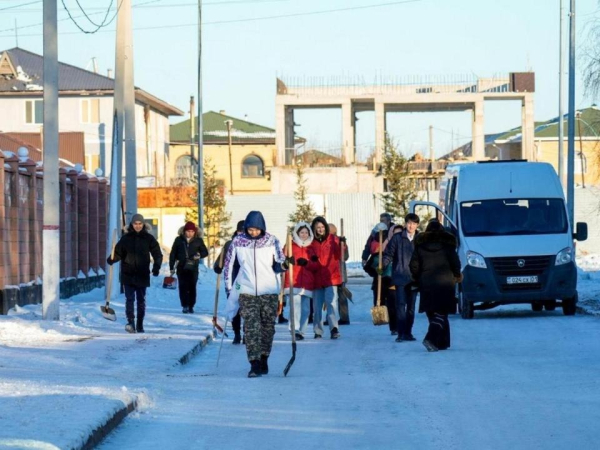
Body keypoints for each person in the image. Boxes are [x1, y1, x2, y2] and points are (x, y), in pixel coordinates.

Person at [224, 211, 289, 378]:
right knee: (251, 327)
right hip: (247, 290)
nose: (253, 233)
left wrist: (287, 264)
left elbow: (279, 264)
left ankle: (264, 357)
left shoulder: (272, 241)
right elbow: (229, 264)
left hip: (269, 291)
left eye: (257, 229)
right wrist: (229, 287)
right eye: (250, 229)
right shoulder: (238, 242)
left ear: (262, 228)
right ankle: (254, 363)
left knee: (267, 327)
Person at [409, 220, 461, 352]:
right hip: (446, 282)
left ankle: (441, 342)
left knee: (432, 312)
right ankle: (431, 339)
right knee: (442, 313)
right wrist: (456, 275)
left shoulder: (420, 247)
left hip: (426, 283)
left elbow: (413, 265)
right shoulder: (448, 246)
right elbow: (456, 263)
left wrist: (417, 277)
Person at [107, 214, 162, 334]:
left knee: (141, 300)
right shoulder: (126, 238)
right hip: (128, 274)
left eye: (140, 224)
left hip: (142, 274)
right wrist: (112, 259)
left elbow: (157, 253)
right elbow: (118, 253)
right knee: (129, 299)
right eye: (135, 224)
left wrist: (156, 266)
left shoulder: (149, 238)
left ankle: (140, 323)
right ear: (132, 225)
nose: (138, 226)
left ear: (143, 225)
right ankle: (130, 322)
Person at [382, 213, 420, 342]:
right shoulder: (397, 238)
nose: (411, 226)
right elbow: (389, 254)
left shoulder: (420, 239)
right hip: (400, 276)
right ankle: (401, 333)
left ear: (417, 225)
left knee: (411, 307)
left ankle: (408, 332)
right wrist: (382, 265)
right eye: (409, 223)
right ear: (405, 224)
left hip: (414, 278)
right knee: (400, 306)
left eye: (414, 223)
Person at [284, 222, 319, 340]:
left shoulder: (312, 248)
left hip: (307, 283)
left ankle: (302, 331)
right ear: (297, 233)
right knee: (295, 308)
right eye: (301, 232)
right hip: (293, 282)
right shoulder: (290, 245)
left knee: (306, 309)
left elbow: (317, 266)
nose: (304, 235)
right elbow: (282, 260)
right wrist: (288, 261)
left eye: (306, 232)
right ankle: (294, 330)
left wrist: (309, 263)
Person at [310, 216, 342, 340]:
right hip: (317, 278)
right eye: (318, 227)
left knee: (331, 304)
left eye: (322, 227)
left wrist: (342, 245)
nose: (320, 229)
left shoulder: (333, 239)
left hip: (331, 277)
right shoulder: (311, 242)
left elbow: (339, 255)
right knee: (317, 307)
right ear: (314, 228)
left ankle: (334, 328)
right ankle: (318, 330)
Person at [368, 223, 403, 335]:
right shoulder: (384, 245)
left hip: (397, 279)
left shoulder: (404, 245)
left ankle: (396, 327)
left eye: (400, 233)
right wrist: (375, 269)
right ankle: (394, 327)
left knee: (394, 304)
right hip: (383, 279)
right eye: (395, 233)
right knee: (387, 303)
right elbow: (370, 264)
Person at [214, 220, 245, 344]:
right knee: (234, 308)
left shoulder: (252, 244)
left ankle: (247, 333)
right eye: (240, 231)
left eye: (244, 231)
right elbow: (221, 259)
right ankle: (237, 333)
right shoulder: (229, 244)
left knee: (247, 308)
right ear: (237, 231)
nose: (242, 233)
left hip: (246, 278)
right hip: (232, 278)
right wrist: (218, 266)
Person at [169, 221, 209, 314]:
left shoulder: (198, 240)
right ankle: (185, 305)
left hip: (193, 268)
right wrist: (171, 267)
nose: (190, 233)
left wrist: (199, 255)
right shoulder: (178, 240)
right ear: (184, 231)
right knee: (183, 287)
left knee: (192, 286)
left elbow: (205, 252)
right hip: (181, 267)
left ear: (195, 232)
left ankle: (191, 305)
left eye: (192, 231)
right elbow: (173, 254)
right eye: (188, 231)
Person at [328, 223, 350, 325]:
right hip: (330, 273)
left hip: (340, 272)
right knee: (330, 297)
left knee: (342, 296)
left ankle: (344, 317)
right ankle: (330, 317)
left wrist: (343, 245)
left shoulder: (341, 242)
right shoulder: (326, 242)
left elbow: (345, 256)